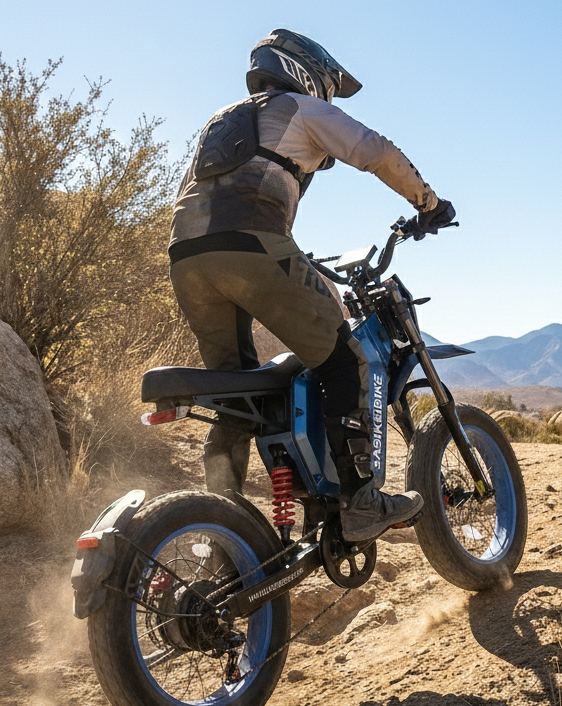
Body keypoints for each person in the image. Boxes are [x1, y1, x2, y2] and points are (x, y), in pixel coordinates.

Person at [168, 29, 455, 542]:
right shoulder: (300, 107)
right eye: (327, 83)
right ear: (306, 71)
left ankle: (223, 529)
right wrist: (428, 203)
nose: (328, 94)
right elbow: (376, 151)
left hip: (187, 257)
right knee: (345, 359)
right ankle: (361, 501)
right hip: (251, 245)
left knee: (236, 393)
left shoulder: (223, 119)